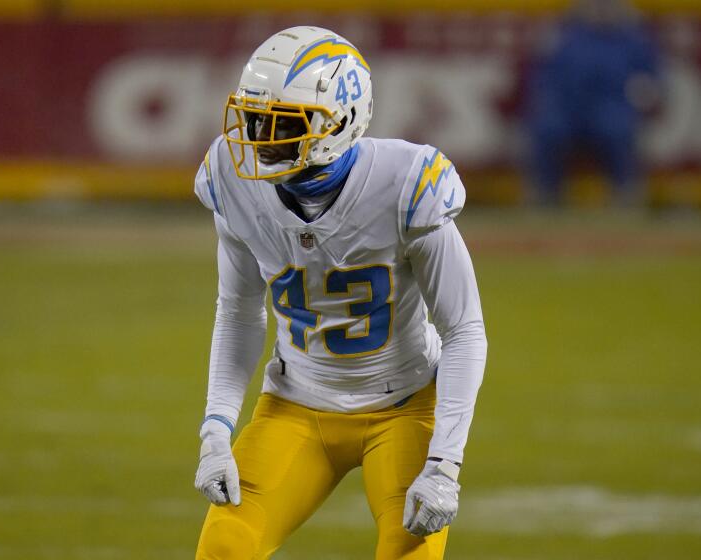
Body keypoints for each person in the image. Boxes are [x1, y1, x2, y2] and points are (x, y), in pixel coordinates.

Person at [192, 26, 487, 559]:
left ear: (338, 123)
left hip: (404, 406)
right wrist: (216, 428)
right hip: (294, 407)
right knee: (224, 548)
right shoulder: (232, 181)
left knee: (409, 553)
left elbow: (464, 328)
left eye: (281, 123)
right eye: (254, 118)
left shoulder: (405, 183)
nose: (257, 138)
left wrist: (444, 464)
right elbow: (237, 311)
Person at [525, 0, 660, 206]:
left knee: (618, 129)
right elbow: (542, 75)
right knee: (548, 129)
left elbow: (650, 78)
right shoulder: (564, 35)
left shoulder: (633, 39)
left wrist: (643, 93)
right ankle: (545, 196)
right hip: (567, 109)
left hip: (611, 107)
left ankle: (626, 195)